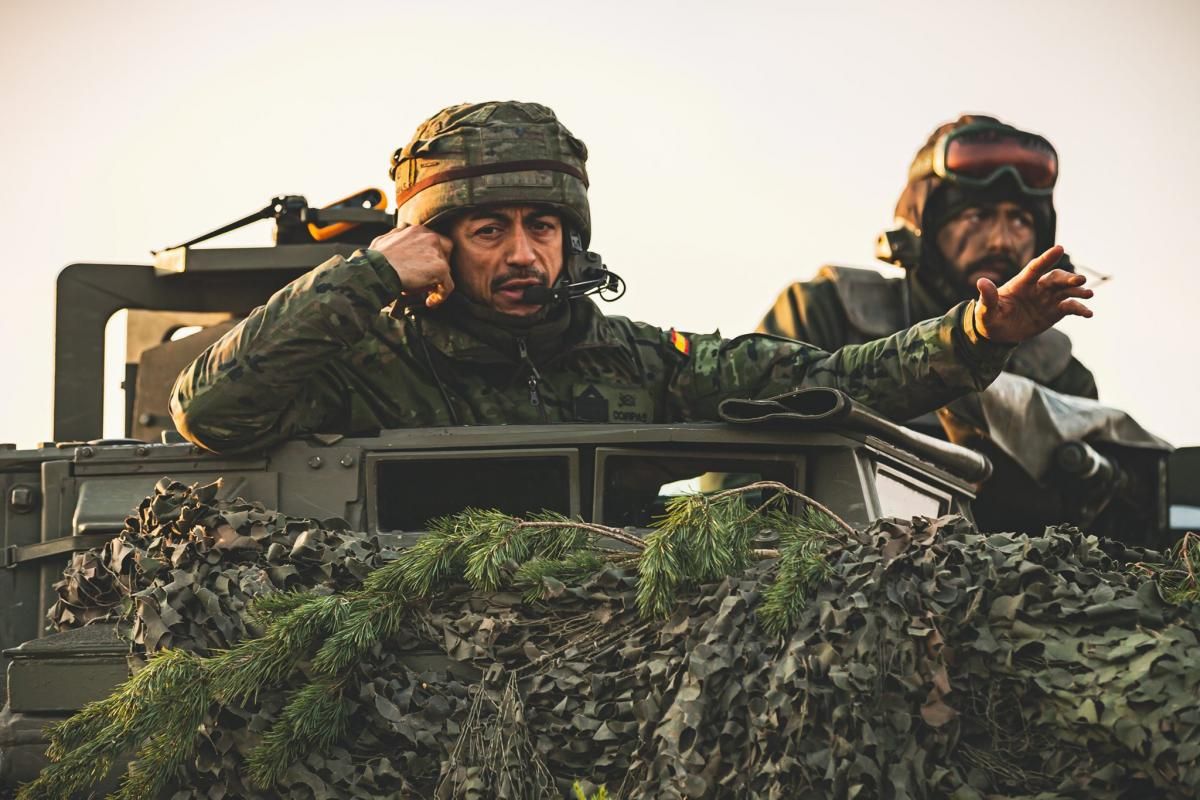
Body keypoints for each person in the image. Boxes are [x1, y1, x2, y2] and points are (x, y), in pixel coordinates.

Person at [170, 102, 1092, 455]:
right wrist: (364, 276)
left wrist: (981, 334)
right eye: (489, 230)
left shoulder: (637, 361)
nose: (525, 256)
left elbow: (837, 381)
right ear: (434, 244)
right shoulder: (363, 358)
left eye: (545, 228)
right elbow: (212, 412)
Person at [759, 114, 1097, 401]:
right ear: (925, 227)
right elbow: (747, 456)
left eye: (1021, 221)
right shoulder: (826, 310)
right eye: (977, 216)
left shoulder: (1060, 374)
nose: (1001, 241)